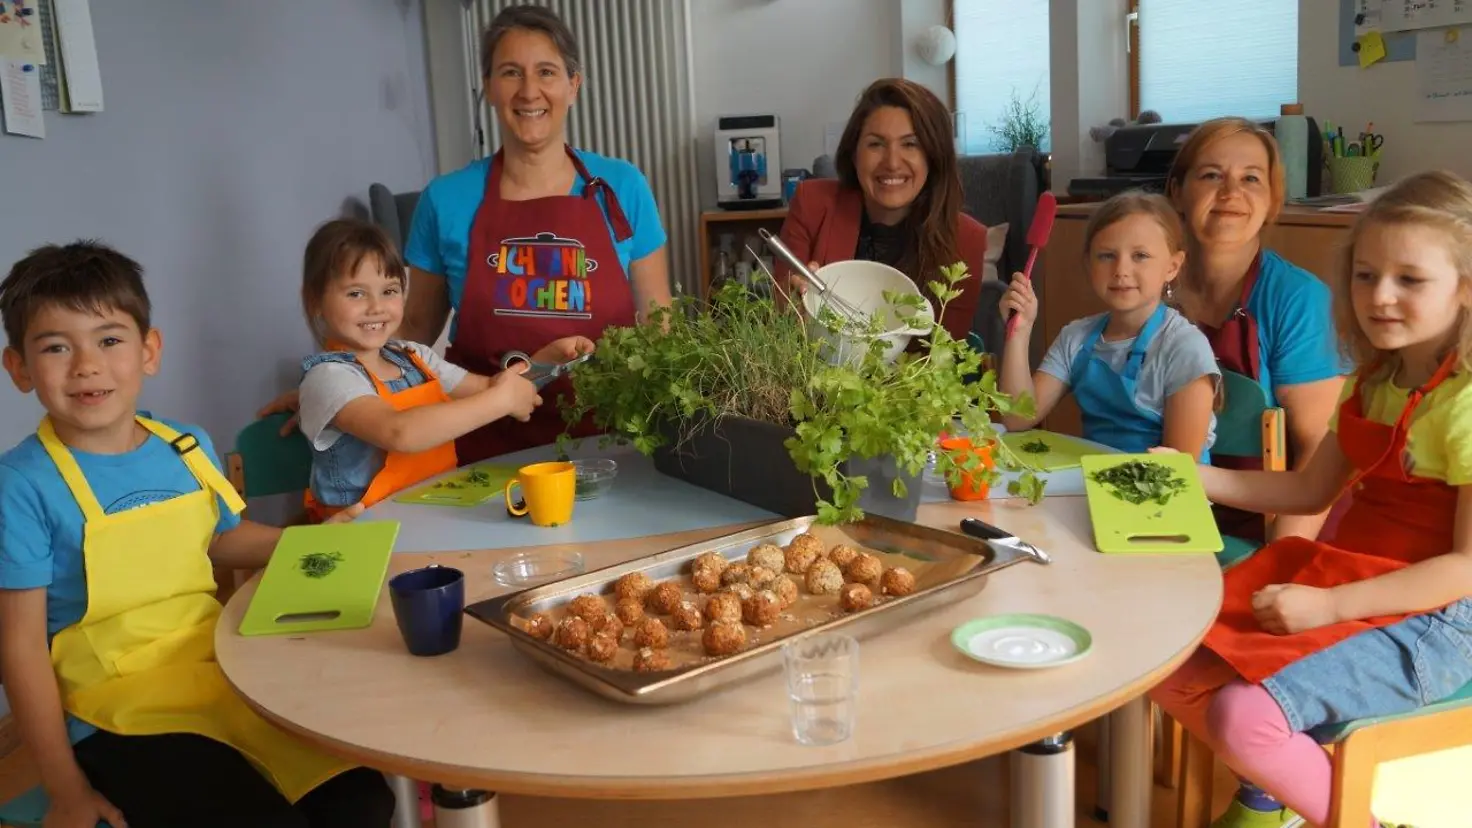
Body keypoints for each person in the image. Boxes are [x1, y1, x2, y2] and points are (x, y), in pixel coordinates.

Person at [0, 242, 395, 827]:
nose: (86, 364)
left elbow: (218, 541)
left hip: (219, 668)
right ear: (20, 369)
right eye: (56, 347)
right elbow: (21, 648)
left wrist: (309, 541)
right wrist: (67, 790)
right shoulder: (20, 486)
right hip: (111, 709)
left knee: (362, 799)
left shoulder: (184, 445)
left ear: (149, 350)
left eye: (109, 340)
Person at [1149, 170, 1472, 828]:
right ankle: (1277, 792)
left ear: (1465, 289)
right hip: (1353, 579)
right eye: (1365, 274)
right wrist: (1193, 475)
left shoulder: (1465, 406)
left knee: (1244, 719)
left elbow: (1465, 568)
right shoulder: (1374, 383)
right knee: (1164, 661)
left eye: (1410, 280)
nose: (1379, 297)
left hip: (1441, 620)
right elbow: (1305, 489)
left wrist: (1329, 605)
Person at [295, 219, 592, 521]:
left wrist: (545, 361)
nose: (376, 307)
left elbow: (493, 391)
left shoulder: (414, 357)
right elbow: (400, 433)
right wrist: (502, 399)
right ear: (315, 300)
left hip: (437, 515)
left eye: (389, 290)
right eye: (356, 294)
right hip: (361, 534)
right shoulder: (328, 377)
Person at [1166, 118, 1347, 544]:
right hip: (1167, 510)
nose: (1231, 193)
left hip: (1271, 524)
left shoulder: (1298, 300)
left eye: (1251, 178)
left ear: (1273, 201)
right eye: (1211, 175)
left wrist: (1280, 563)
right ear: (1177, 192)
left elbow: (1320, 450)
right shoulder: (1148, 283)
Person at [999, 191, 1219, 460]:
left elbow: (1180, 468)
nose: (1121, 269)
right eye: (1106, 256)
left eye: (1140, 255)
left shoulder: (1185, 348)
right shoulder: (1076, 338)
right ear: (1088, 264)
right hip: (1096, 485)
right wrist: (1019, 334)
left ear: (1172, 267)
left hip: (1166, 492)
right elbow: (1017, 418)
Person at [776, 77, 987, 342]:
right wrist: (790, 299)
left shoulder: (967, 239)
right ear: (854, 154)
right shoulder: (811, 203)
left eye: (910, 144)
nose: (892, 163)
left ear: (933, 157)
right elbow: (779, 318)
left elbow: (944, 354)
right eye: (876, 144)